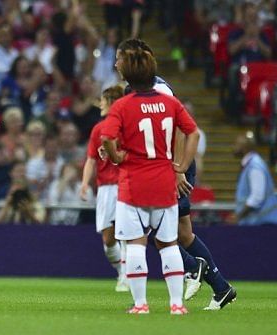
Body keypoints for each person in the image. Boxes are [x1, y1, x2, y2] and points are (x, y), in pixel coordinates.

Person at [117, 38, 236, 311]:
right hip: (163, 165)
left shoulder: (158, 89)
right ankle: (221, 287)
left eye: (119, 57)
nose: (116, 63)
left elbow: (180, 128)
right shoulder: (132, 89)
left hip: (170, 165)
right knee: (182, 233)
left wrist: (178, 169)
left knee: (156, 229)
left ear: (133, 59)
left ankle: (193, 267)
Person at [102, 40, 200, 314]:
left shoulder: (123, 105)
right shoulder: (169, 103)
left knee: (135, 243)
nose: (116, 65)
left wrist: (115, 156)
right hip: (164, 182)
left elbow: (107, 137)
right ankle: (177, 305)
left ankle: (141, 304)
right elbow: (193, 132)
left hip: (134, 183)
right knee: (169, 244)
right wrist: (181, 166)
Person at [80, 84, 128, 292]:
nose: (100, 104)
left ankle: (127, 275)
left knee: (126, 232)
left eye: (104, 100)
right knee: (108, 239)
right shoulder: (99, 129)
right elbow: (91, 159)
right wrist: (84, 183)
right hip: (106, 188)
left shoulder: (127, 127)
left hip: (125, 183)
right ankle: (121, 271)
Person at [230, 132, 277, 225]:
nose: (233, 147)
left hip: (262, 224)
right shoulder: (250, 164)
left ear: (244, 147)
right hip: (255, 223)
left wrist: (238, 216)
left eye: (236, 144)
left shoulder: (255, 166)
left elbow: (256, 198)